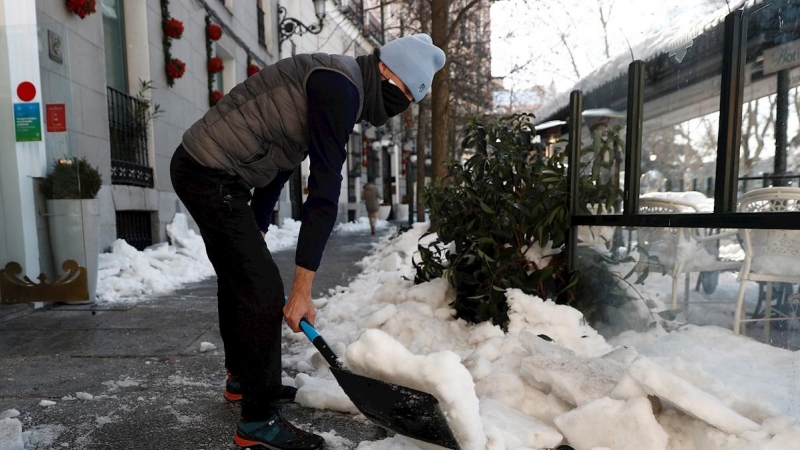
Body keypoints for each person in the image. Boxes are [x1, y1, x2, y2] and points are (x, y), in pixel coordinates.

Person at [169, 34, 445, 450]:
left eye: (412, 97)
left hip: (216, 172)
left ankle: (244, 381)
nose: (402, 103)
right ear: (385, 70)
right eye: (404, 90)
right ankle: (258, 423)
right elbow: (323, 191)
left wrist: (259, 226)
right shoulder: (339, 87)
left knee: (242, 276)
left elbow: (281, 160)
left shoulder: (339, 82)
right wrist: (302, 290)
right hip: (208, 171)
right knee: (261, 290)